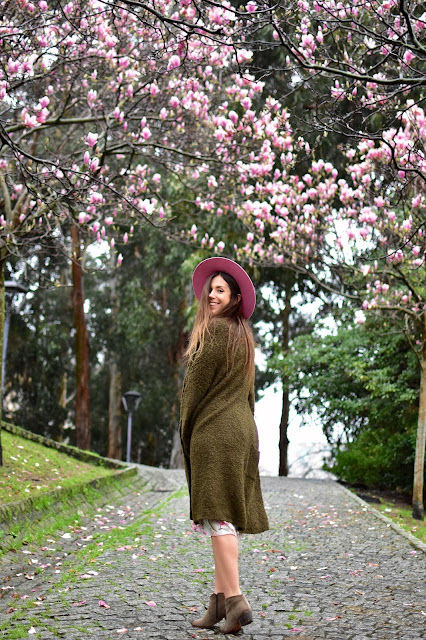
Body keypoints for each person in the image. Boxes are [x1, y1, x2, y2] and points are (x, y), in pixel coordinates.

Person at [180, 257, 269, 634]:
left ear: (234, 298)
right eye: (211, 290)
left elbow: (193, 390)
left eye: (221, 290)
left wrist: (187, 432)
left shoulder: (214, 330)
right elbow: (249, 395)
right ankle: (218, 604)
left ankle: (235, 600)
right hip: (242, 430)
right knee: (224, 517)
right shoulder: (243, 335)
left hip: (215, 433)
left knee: (217, 517)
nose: (213, 295)